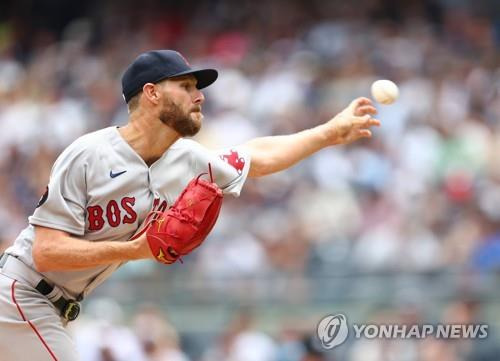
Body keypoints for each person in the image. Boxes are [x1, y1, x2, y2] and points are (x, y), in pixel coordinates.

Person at [0, 49, 379, 361]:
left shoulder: (187, 159)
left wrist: (328, 133)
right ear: (151, 94)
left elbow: (256, 154)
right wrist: (134, 250)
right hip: (21, 295)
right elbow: (46, 252)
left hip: (51, 307)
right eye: (185, 86)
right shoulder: (89, 154)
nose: (199, 95)